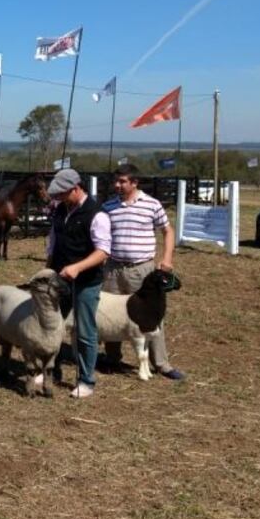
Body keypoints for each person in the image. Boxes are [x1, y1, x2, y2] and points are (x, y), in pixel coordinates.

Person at [101, 164, 185, 380]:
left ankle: (161, 363)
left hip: (142, 270)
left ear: (134, 182)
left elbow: (167, 231)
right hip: (113, 269)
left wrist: (166, 259)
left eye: (122, 182)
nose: (117, 185)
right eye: (116, 182)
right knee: (112, 314)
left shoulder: (151, 204)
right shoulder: (108, 206)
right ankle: (112, 358)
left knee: (151, 315)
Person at [46, 169, 110, 399]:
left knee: (84, 331)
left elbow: (103, 252)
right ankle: (48, 368)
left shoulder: (97, 215)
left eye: (62, 194)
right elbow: (53, 240)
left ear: (75, 188)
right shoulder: (60, 210)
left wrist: (77, 267)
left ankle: (86, 380)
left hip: (86, 281)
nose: (58, 199)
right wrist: (49, 266)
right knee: (52, 324)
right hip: (59, 277)